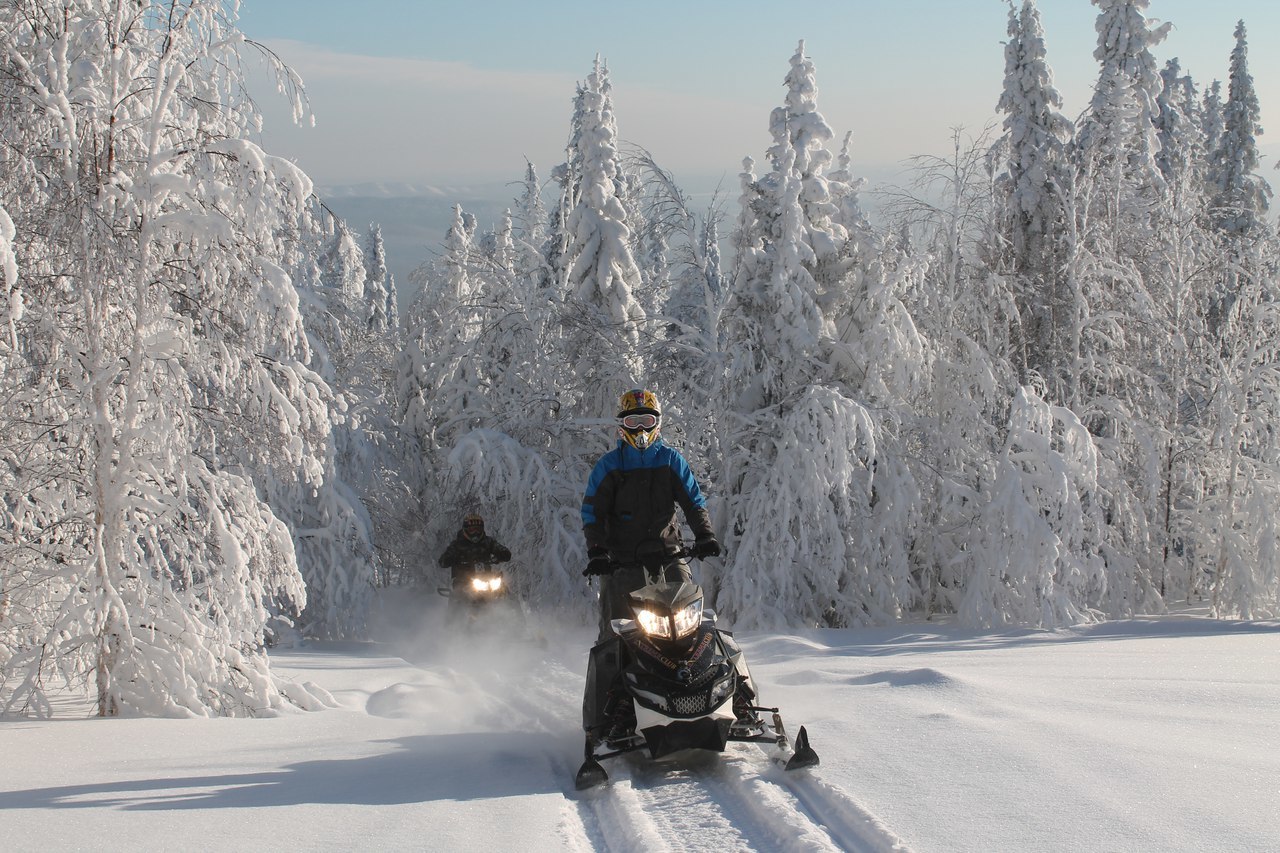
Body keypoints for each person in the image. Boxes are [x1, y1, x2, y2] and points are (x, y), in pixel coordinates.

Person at [581, 388, 721, 639]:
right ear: (622, 425)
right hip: (622, 561)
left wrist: (705, 535)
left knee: (693, 623)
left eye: (647, 421)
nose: (640, 430)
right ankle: (609, 674)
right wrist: (597, 551)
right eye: (633, 422)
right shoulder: (608, 466)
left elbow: (693, 501)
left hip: (668, 554)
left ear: (657, 422)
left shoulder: (670, 460)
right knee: (615, 633)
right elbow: (593, 512)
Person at [438, 513, 511, 589]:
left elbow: (503, 551)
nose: (475, 532)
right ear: (465, 529)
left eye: (478, 529)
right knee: (459, 593)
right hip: (462, 582)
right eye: (472, 530)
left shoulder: (488, 542)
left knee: (502, 590)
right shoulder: (457, 544)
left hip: (487, 580)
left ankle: (508, 601)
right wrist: (450, 559)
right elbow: (442, 561)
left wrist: (501, 555)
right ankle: (458, 600)